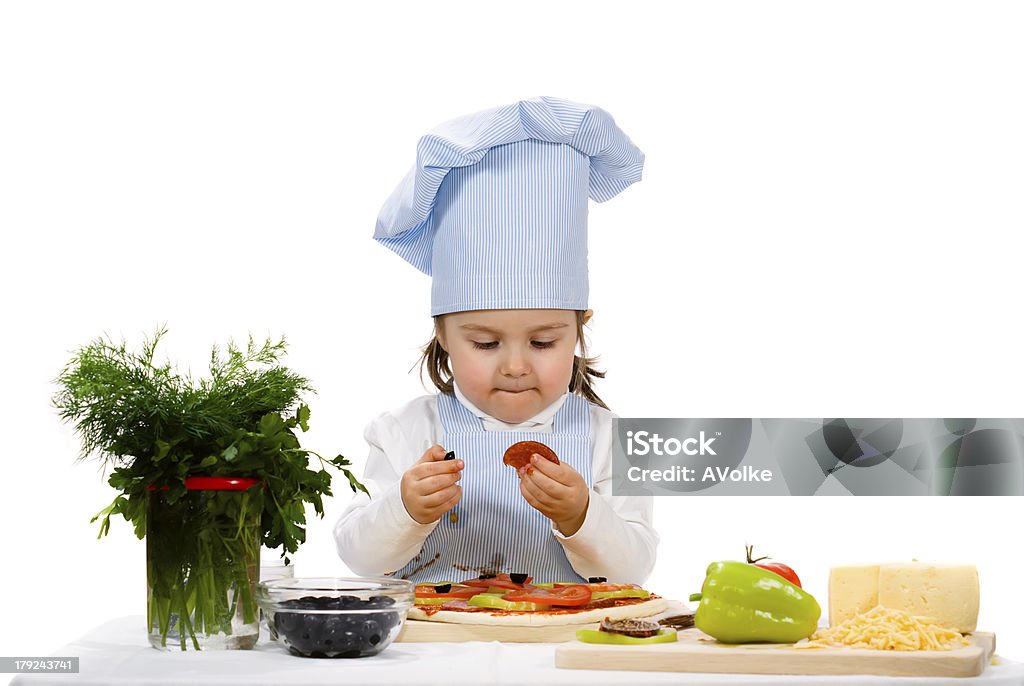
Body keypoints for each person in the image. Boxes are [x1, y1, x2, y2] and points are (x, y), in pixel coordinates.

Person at [334, 96, 658, 584]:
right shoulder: (405, 432)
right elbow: (359, 558)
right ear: (442, 333)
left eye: (544, 343)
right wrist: (406, 509)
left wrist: (582, 516)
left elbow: (635, 567)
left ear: (578, 330)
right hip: (434, 645)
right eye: (485, 344)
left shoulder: (609, 439)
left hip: (561, 643)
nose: (514, 366)